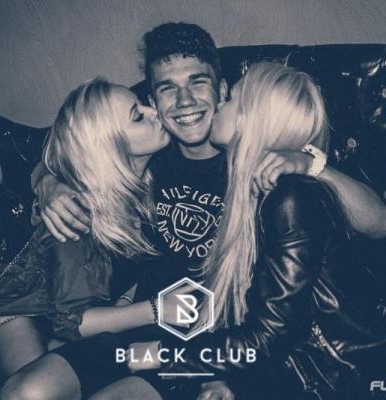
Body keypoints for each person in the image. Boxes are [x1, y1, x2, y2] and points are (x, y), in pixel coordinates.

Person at [1, 23, 386, 400]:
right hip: (142, 331)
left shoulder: (264, 167)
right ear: (154, 102)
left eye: (198, 82)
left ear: (222, 92)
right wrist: (49, 182)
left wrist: (314, 166)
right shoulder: (152, 153)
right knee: (26, 391)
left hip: (203, 347)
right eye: (168, 88)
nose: (184, 101)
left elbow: (378, 222)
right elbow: (79, 144)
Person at [126, 62, 386, 400]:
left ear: (253, 117)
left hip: (338, 381)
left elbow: (268, 338)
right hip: (288, 374)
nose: (219, 106)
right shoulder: (252, 192)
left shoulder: (291, 197)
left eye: (231, 98)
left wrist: (153, 354)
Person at [0, 77, 193, 386]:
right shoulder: (77, 218)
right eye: (138, 116)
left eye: (145, 105)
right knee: (33, 390)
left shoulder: (148, 182)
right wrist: (155, 310)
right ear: (109, 147)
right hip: (22, 308)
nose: (155, 112)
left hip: (75, 308)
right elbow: (71, 322)